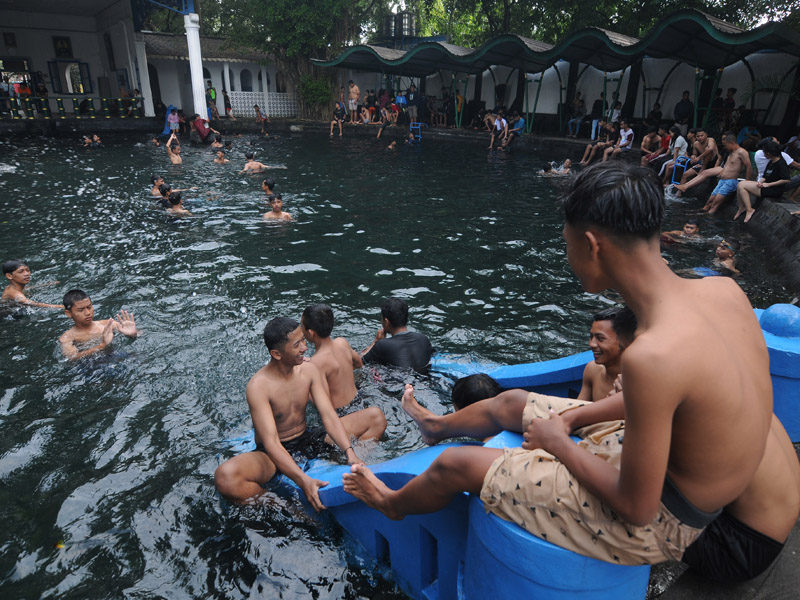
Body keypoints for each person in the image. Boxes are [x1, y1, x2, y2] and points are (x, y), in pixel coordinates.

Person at [341, 160, 793, 578]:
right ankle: (438, 424)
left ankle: (395, 503)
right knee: (514, 403)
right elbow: (678, 399)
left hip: (667, 519)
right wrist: (576, 416)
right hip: (697, 488)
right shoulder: (724, 293)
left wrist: (561, 443)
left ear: (592, 245)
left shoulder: (651, 356)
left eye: (567, 242)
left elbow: (637, 507)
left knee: (456, 465)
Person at [213, 317, 365, 507]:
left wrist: (349, 451)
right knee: (225, 477)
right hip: (273, 454)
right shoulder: (258, 387)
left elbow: (328, 414)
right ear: (277, 354)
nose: (304, 348)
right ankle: (285, 507)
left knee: (374, 418)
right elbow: (271, 443)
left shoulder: (309, 370)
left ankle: (341, 469)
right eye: (297, 345)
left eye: (303, 340)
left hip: (307, 438)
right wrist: (303, 481)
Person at [300, 304, 387, 433]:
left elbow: (324, 404)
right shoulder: (342, 343)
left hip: (342, 415)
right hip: (359, 402)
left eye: (302, 326)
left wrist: (306, 389)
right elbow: (358, 364)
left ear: (311, 333)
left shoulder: (316, 364)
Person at [577, 307, 636, 401]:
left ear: (624, 341)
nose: (591, 344)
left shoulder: (637, 381)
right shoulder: (592, 370)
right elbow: (578, 407)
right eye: (591, 337)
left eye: (600, 338)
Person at [59, 290, 138, 360]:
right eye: (81, 310)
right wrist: (102, 346)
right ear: (68, 313)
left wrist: (133, 334)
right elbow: (72, 357)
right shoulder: (67, 338)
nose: (87, 313)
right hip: (90, 366)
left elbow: (140, 334)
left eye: (89, 307)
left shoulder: (108, 324)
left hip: (115, 356)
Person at [360, 297, 433, 372]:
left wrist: (376, 341)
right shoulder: (423, 339)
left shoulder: (382, 345)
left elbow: (359, 363)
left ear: (386, 321)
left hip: (399, 381)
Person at [735, 139, 791, 223]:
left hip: (774, 190)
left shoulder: (781, 164)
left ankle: (749, 210)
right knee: (740, 184)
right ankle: (741, 208)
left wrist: (769, 184)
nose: (763, 154)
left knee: (742, 186)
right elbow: (765, 176)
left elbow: (786, 179)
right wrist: (760, 182)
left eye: (764, 152)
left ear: (768, 153)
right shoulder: (771, 162)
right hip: (765, 186)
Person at [699, 134, 751, 214]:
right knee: (709, 201)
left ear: (732, 143)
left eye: (726, 145)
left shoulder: (742, 152)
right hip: (722, 180)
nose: (725, 147)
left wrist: (747, 181)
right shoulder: (730, 153)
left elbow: (748, 167)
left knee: (715, 203)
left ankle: (707, 219)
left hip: (730, 182)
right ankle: (699, 214)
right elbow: (727, 165)